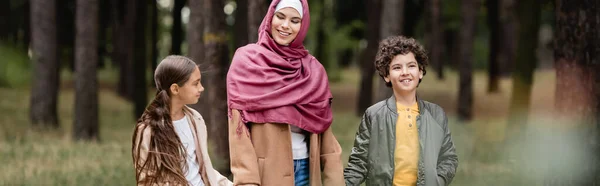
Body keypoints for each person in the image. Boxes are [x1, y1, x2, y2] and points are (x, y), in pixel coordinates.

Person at [226, 0, 344, 185]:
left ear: (303, 25)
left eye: (295, 20)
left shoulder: (313, 70)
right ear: (270, 17)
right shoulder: (247, 61)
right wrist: (246, 181)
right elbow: (238, 132)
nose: (285, 25)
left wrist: (334, 179)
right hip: (265, 175)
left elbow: (325, 131)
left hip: (306, 171)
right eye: (280, 17)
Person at [344, 36, 458, 186]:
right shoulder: (374, 115)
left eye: (411, 66)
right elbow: (359, 163)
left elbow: (448, 158)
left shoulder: (436, 114)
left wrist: (438, 181)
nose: (405, 72)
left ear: (421, 71)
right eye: (397, 68)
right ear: (386, 76)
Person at [132, 55, 233, 186]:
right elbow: (147, 180)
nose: (201, 88)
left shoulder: (195, 119)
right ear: (175, 89)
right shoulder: (148, 130)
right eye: (196, 83)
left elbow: (202, 170)